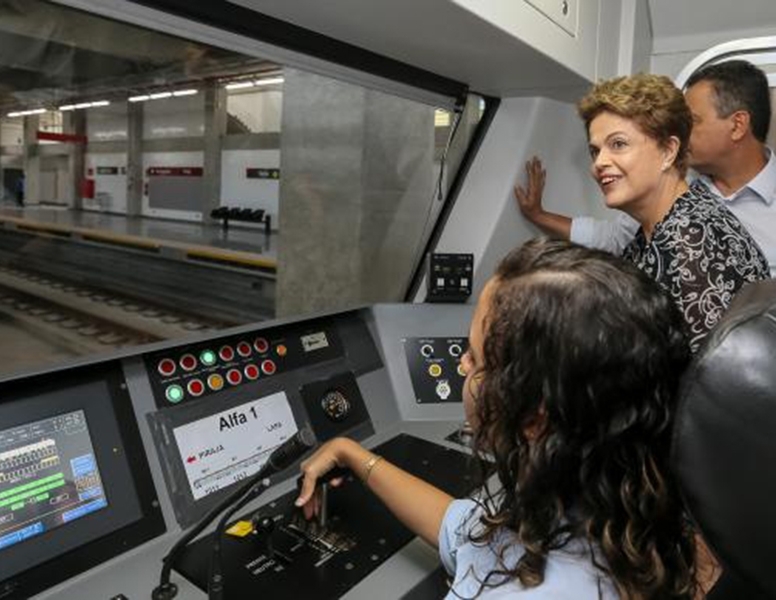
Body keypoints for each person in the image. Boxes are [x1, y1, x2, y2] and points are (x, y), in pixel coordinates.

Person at [296, 239, 698, 599]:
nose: (461, 363)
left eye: (474, 356)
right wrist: (352, 453)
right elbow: (463, 533)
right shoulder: (609, 505)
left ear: (534, 419)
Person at [522, 73, 768, 352]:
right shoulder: (659, 228)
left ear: (668, 151)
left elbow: (704, 385)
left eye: (618, 144)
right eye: (595, 151)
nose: (599, 163)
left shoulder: (691, 242)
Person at [515, 60, 776, 277]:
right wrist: (539, 215)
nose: (599, 163)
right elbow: (616, 238)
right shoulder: (676, 197)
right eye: (595, 151)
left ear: (737, 125)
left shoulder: (691, 230)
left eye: (691, 122)